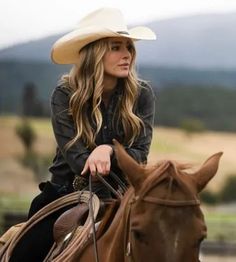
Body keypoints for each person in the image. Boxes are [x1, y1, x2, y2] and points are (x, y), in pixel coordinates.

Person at [29, 7, 157, 217]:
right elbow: (78, 159)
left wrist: (108, 150)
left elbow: (141, 156)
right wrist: (113, 155)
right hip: (66, 194)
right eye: (116, 47)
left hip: (123, 196)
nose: (127, 55)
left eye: (129, 47)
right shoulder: (65, 94)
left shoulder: (142, 94)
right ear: (94, 53)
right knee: (28, 247)